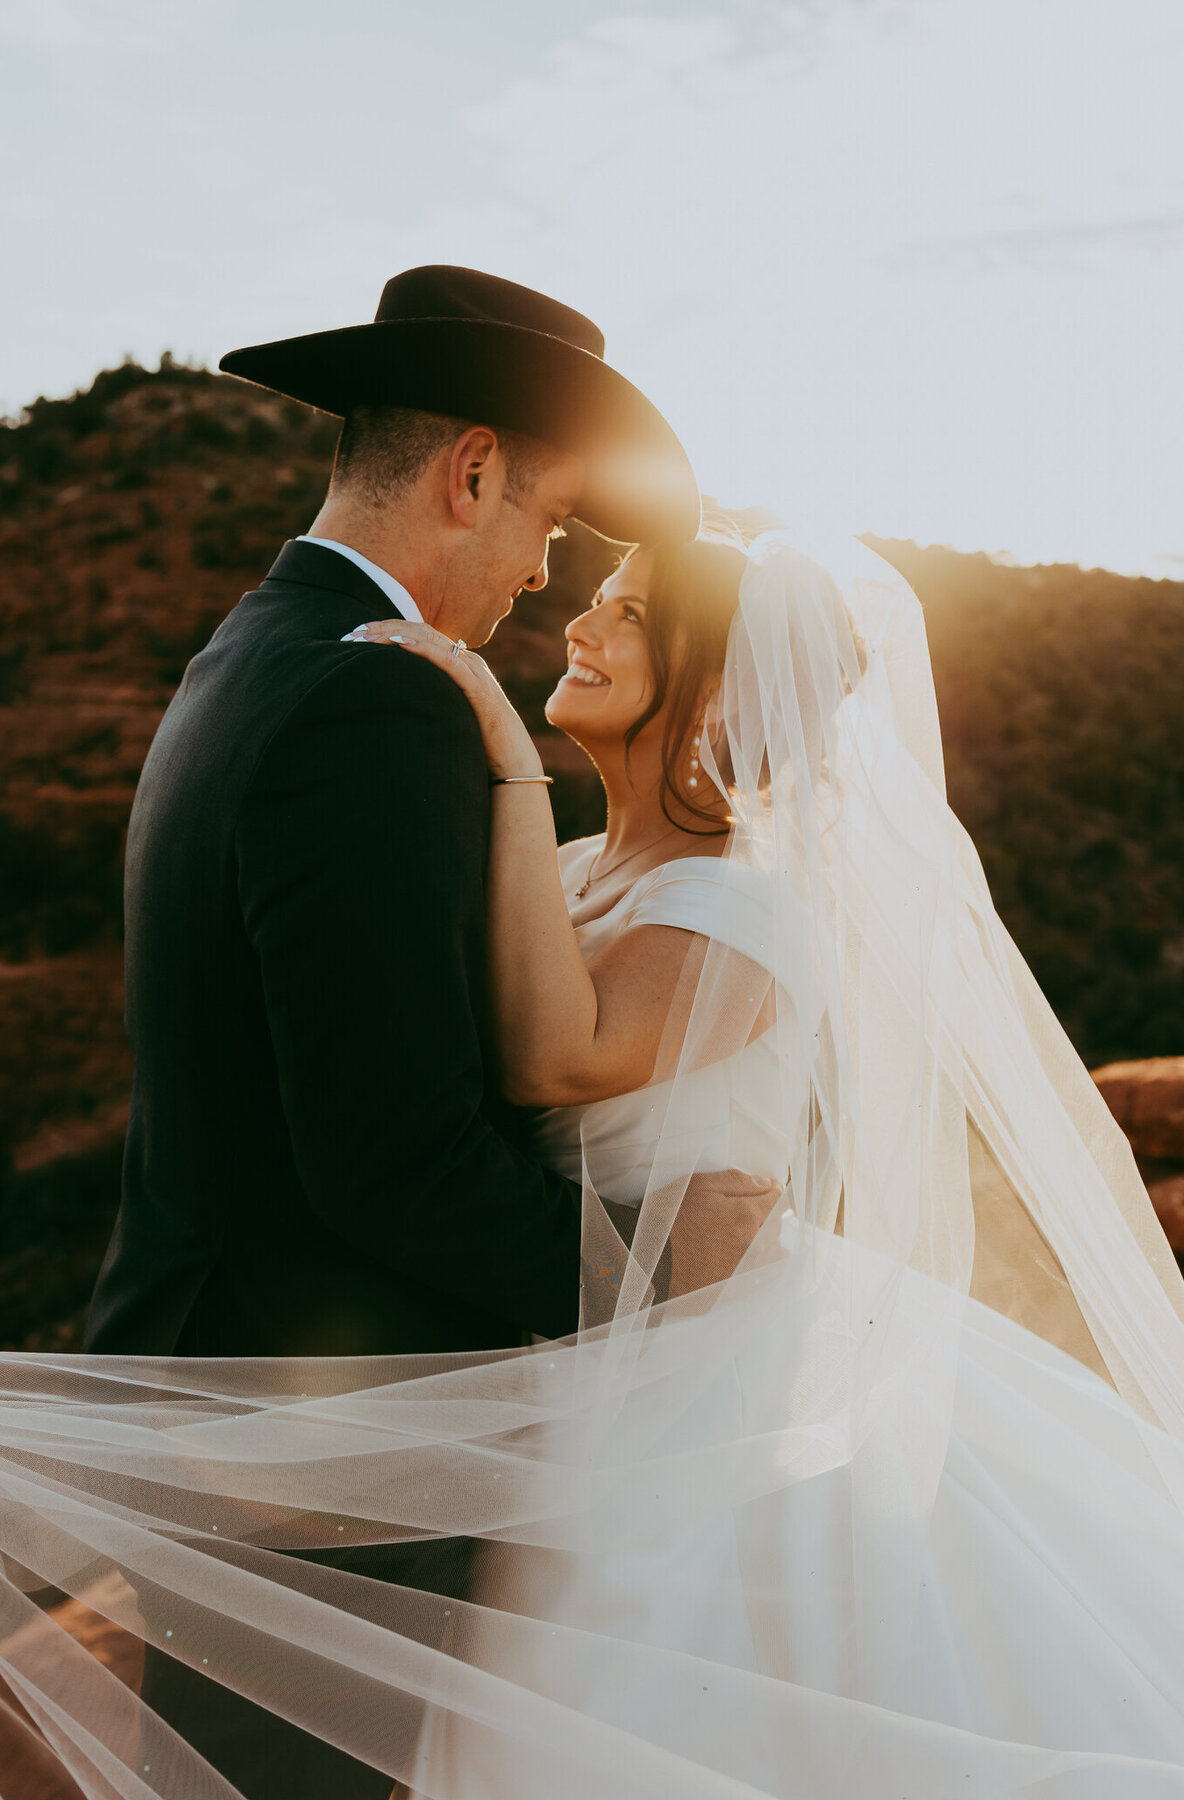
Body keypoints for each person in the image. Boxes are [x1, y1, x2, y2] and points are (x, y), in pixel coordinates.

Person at [75, 267, 774, 1798]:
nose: (541, 576)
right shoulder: (369, 707)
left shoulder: (248, 654)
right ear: (471, 473)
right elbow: (393, 1162)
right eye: (545, 523)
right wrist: (653, 1259)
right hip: (310, 1451)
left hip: (237, 1406)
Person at [345, 520, 1184, 1796]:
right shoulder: (575, 870)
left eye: (628, 612)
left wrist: (500, 747)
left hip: (712, 1382)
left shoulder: (748, 897)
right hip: (587, 1347)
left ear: (719, 688)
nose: (581, 623)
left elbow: (556, 1062)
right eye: (599, 599)